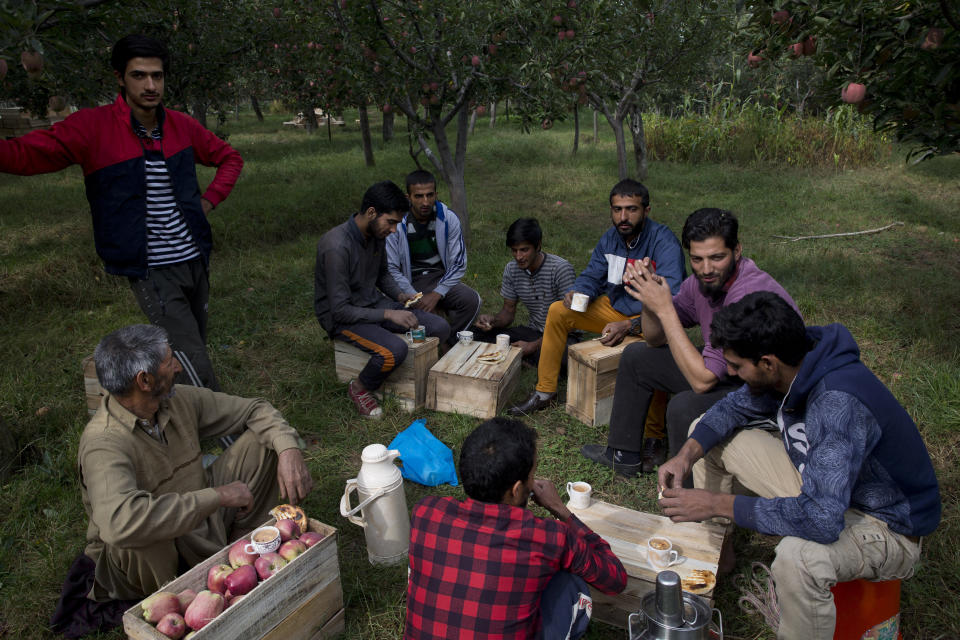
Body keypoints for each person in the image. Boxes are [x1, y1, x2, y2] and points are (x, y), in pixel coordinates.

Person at [657, 292, 941, 640]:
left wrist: (716, 503)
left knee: (798, 558)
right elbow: (731, 409)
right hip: (827, 487)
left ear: (767, 363)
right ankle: (719, 555)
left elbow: (821, 521)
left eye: (736, 366)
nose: (729, 372)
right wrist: (685, 455)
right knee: (707, 440)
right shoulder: (796, 359)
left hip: (885, 523)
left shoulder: (838, 404)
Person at [0, 35, 243, 391]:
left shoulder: (180, 126)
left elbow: (230, 158)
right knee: (192, 360)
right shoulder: (92, 127)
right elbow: (27, 154)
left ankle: (177, 416)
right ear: (120, 77)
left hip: (194, 258)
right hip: (151, 268)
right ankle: (227, 436)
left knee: (189, 349)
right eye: (139, 75)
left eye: (157, 76)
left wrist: (208, 202)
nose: (150, 85)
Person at [51, 324, 312, 637]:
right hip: (149, 559)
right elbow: (120, 523)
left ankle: (244, 552)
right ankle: (177, 592)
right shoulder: (104, 443)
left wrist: (288, 450)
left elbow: (253, 409)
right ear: (144, 380)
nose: (177, 366)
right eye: (169, 361)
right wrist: (217, 496)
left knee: (263, 441)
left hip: (197, 522)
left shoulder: (175, 401)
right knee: (140, 530)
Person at [581, 209, 799, 476]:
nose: (706, 269)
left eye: (717, 257)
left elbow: (703, 380)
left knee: (684, 406)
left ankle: (688, 493)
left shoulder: (745, 294)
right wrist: (650, 300)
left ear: (737, 251)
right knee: (637, 356)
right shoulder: (701, 283)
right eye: (697, 259)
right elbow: (654, 337)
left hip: (766, 390)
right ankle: (622, 455)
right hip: (730, 370)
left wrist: (666, 311)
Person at [406, 417, 627, 640]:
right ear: (516, 489)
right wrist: (561, 510)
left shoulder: (426, 512)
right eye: (532, 475)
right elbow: (614, 578)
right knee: (570, 585)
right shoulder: (547, 537)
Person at [509, 179, 684, 418]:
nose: (623, 217)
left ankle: (654, 434)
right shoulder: (610, 238)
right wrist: (578, 292)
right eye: (617, 209)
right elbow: (592, 275)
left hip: (652, 318)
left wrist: (630, 325)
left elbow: (672, 302)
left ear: (646, 211)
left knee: (651, 354)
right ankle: (545, 392)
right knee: (559, 311)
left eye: (631, 209)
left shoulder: (664, 242)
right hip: (614, 308)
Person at [314, 180, 450, 419]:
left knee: (439, 326)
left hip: (371, 303)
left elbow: (383, 274)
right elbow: (340, 310)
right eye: (391, 222)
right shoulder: (336, 246)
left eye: (397, 223)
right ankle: (359, 388)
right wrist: (389, 314)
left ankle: (425, 373)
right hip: (342, 318)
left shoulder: (375, 233)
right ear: (371, 212)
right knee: (393, 350)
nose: (394, 230)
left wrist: (399, 295)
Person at [385, 170, 481, 346]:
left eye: (430, 195)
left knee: (472, 300)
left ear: (436, 194)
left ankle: (450, 342)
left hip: (439, 278)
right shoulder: (397, 223)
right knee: (424, 315)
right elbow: (391, 268)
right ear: (408, 197)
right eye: (419, 196)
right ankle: (437, 341)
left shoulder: (448, 218)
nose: (425, 202)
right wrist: (414, 296)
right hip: (410, 281)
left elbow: (459, 263)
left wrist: (437, 293)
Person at [473, 218, 577, 367]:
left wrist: (533, 346)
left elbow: (570, 324)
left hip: (563, 335)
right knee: (475, 333)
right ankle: (523, 358)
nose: (518, 257)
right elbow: (508, 312)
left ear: (538, 245)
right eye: (514, 250)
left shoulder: (560, 269)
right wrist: (492, 321)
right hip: (532, 331)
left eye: (524, 250)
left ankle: (524, 357)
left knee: (561, 355)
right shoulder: (512, 269)